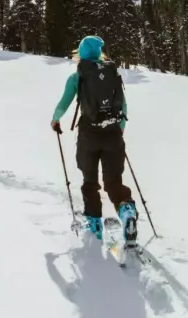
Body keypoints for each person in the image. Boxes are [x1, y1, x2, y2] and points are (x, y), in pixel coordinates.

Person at [51, 36, 137, 242]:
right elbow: (123, 105)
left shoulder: (77, 77)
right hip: (113, 133)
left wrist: (55, 120)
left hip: (89, 135)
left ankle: (95, 222)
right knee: (114, 180)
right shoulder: (111, 72)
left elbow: (64, 103)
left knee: (90, 180)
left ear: (80, 53)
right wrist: (120, 128)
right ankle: (126, 211)